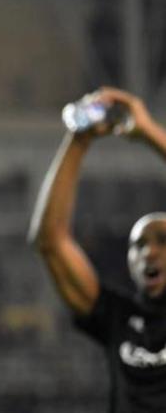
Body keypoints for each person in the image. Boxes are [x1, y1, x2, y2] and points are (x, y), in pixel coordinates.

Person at [29, 87, 166, 412]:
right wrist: (79, 139)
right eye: (139, 245)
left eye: (163, 241)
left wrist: (149, 131)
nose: (149, 252)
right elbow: (50, 241)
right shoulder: (119, 317)